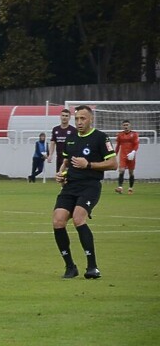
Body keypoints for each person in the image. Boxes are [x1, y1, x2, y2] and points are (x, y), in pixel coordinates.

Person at [53, 105, 116, 279]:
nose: (79, 122)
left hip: (90, 186)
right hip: (70, 186)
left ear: (91, 119)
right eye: (77, 119)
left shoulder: (100, 138)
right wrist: (61, 173)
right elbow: (66, 162)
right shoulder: (71, 138)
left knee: (79, 218)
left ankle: (92, 267)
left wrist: (88, 164)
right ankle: (70, 267)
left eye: (83, 118)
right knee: (58, 221)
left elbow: (113, 164)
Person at [47, 109, 77, 173]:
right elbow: (53, 142)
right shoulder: (55, 129)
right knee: (60, 176)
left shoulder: (73, 130)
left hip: (69, 157)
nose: (64, 117)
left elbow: (76, 143)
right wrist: (50, 155)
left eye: (66, 116)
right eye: (63, 115)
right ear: (60, 116)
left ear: (69, 117)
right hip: (59, 157)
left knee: (69, 176)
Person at [114, 119, 139, 194]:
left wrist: (133, 152)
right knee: (121, 170)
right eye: (124, 125)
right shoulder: (120, 135)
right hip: (123, 155)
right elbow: (118, 145)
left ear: (130, 126)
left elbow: (136, 144)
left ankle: (130, 188)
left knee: (131, 172)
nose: (126, 127)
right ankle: (120, 188)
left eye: (127, 125)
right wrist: (115, 154)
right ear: (122, 126)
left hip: (131, 156)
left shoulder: (134, 134)